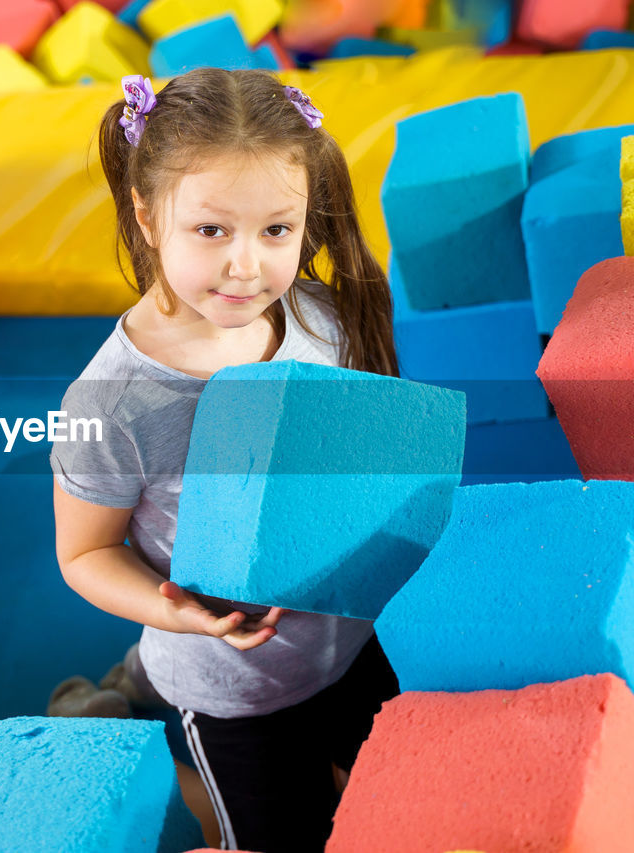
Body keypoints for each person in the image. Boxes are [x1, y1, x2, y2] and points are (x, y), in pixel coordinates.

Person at [48, 67, 401, 852]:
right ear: (146, 215)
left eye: (276, 230)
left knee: (405, 799)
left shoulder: (319, 317)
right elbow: (85, 551)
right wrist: (174, 611)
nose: (247, 266)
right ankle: (110, 719)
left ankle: (129, 678)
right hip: (235, 688)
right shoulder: (110, 403)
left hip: (353, 639)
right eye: (211, 230)